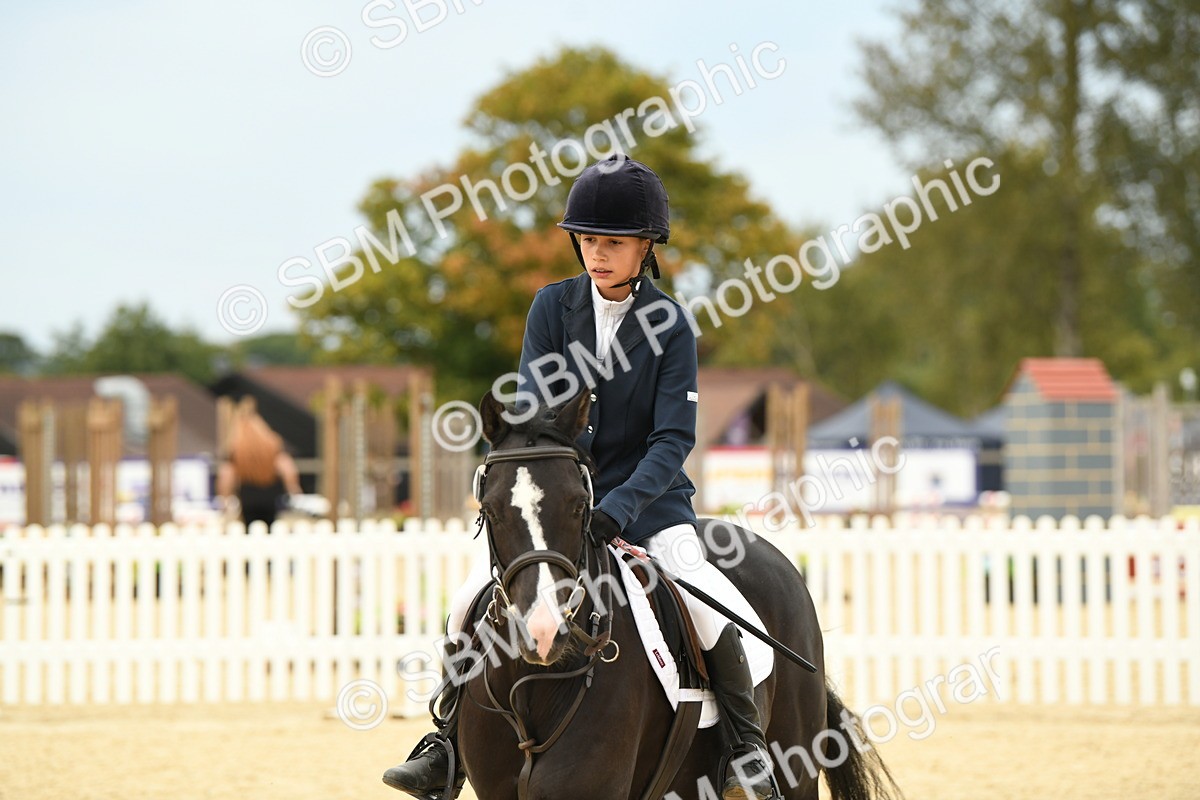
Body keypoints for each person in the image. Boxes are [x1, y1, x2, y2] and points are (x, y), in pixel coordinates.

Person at [383, 155, 780, 800]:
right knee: (467, 600)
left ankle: (745, 748)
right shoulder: (551, 308)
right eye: (590, 240)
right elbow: (537, 420)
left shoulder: (670, 324)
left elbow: (673, 438)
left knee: (707, 593)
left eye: (613, 243)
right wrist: (563, 497)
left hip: (648, 506)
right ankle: (444, 744)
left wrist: (618, 508)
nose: (598, 254)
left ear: (645, 247)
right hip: (562, 503)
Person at [215, 402, 302, 528]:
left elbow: (226, 475)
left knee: (250, 529)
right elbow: (288, 468)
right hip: (271, 495)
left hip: (247, 496)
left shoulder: (236, 449)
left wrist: (224, 498)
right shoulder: (271, 447)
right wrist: (293, 488)